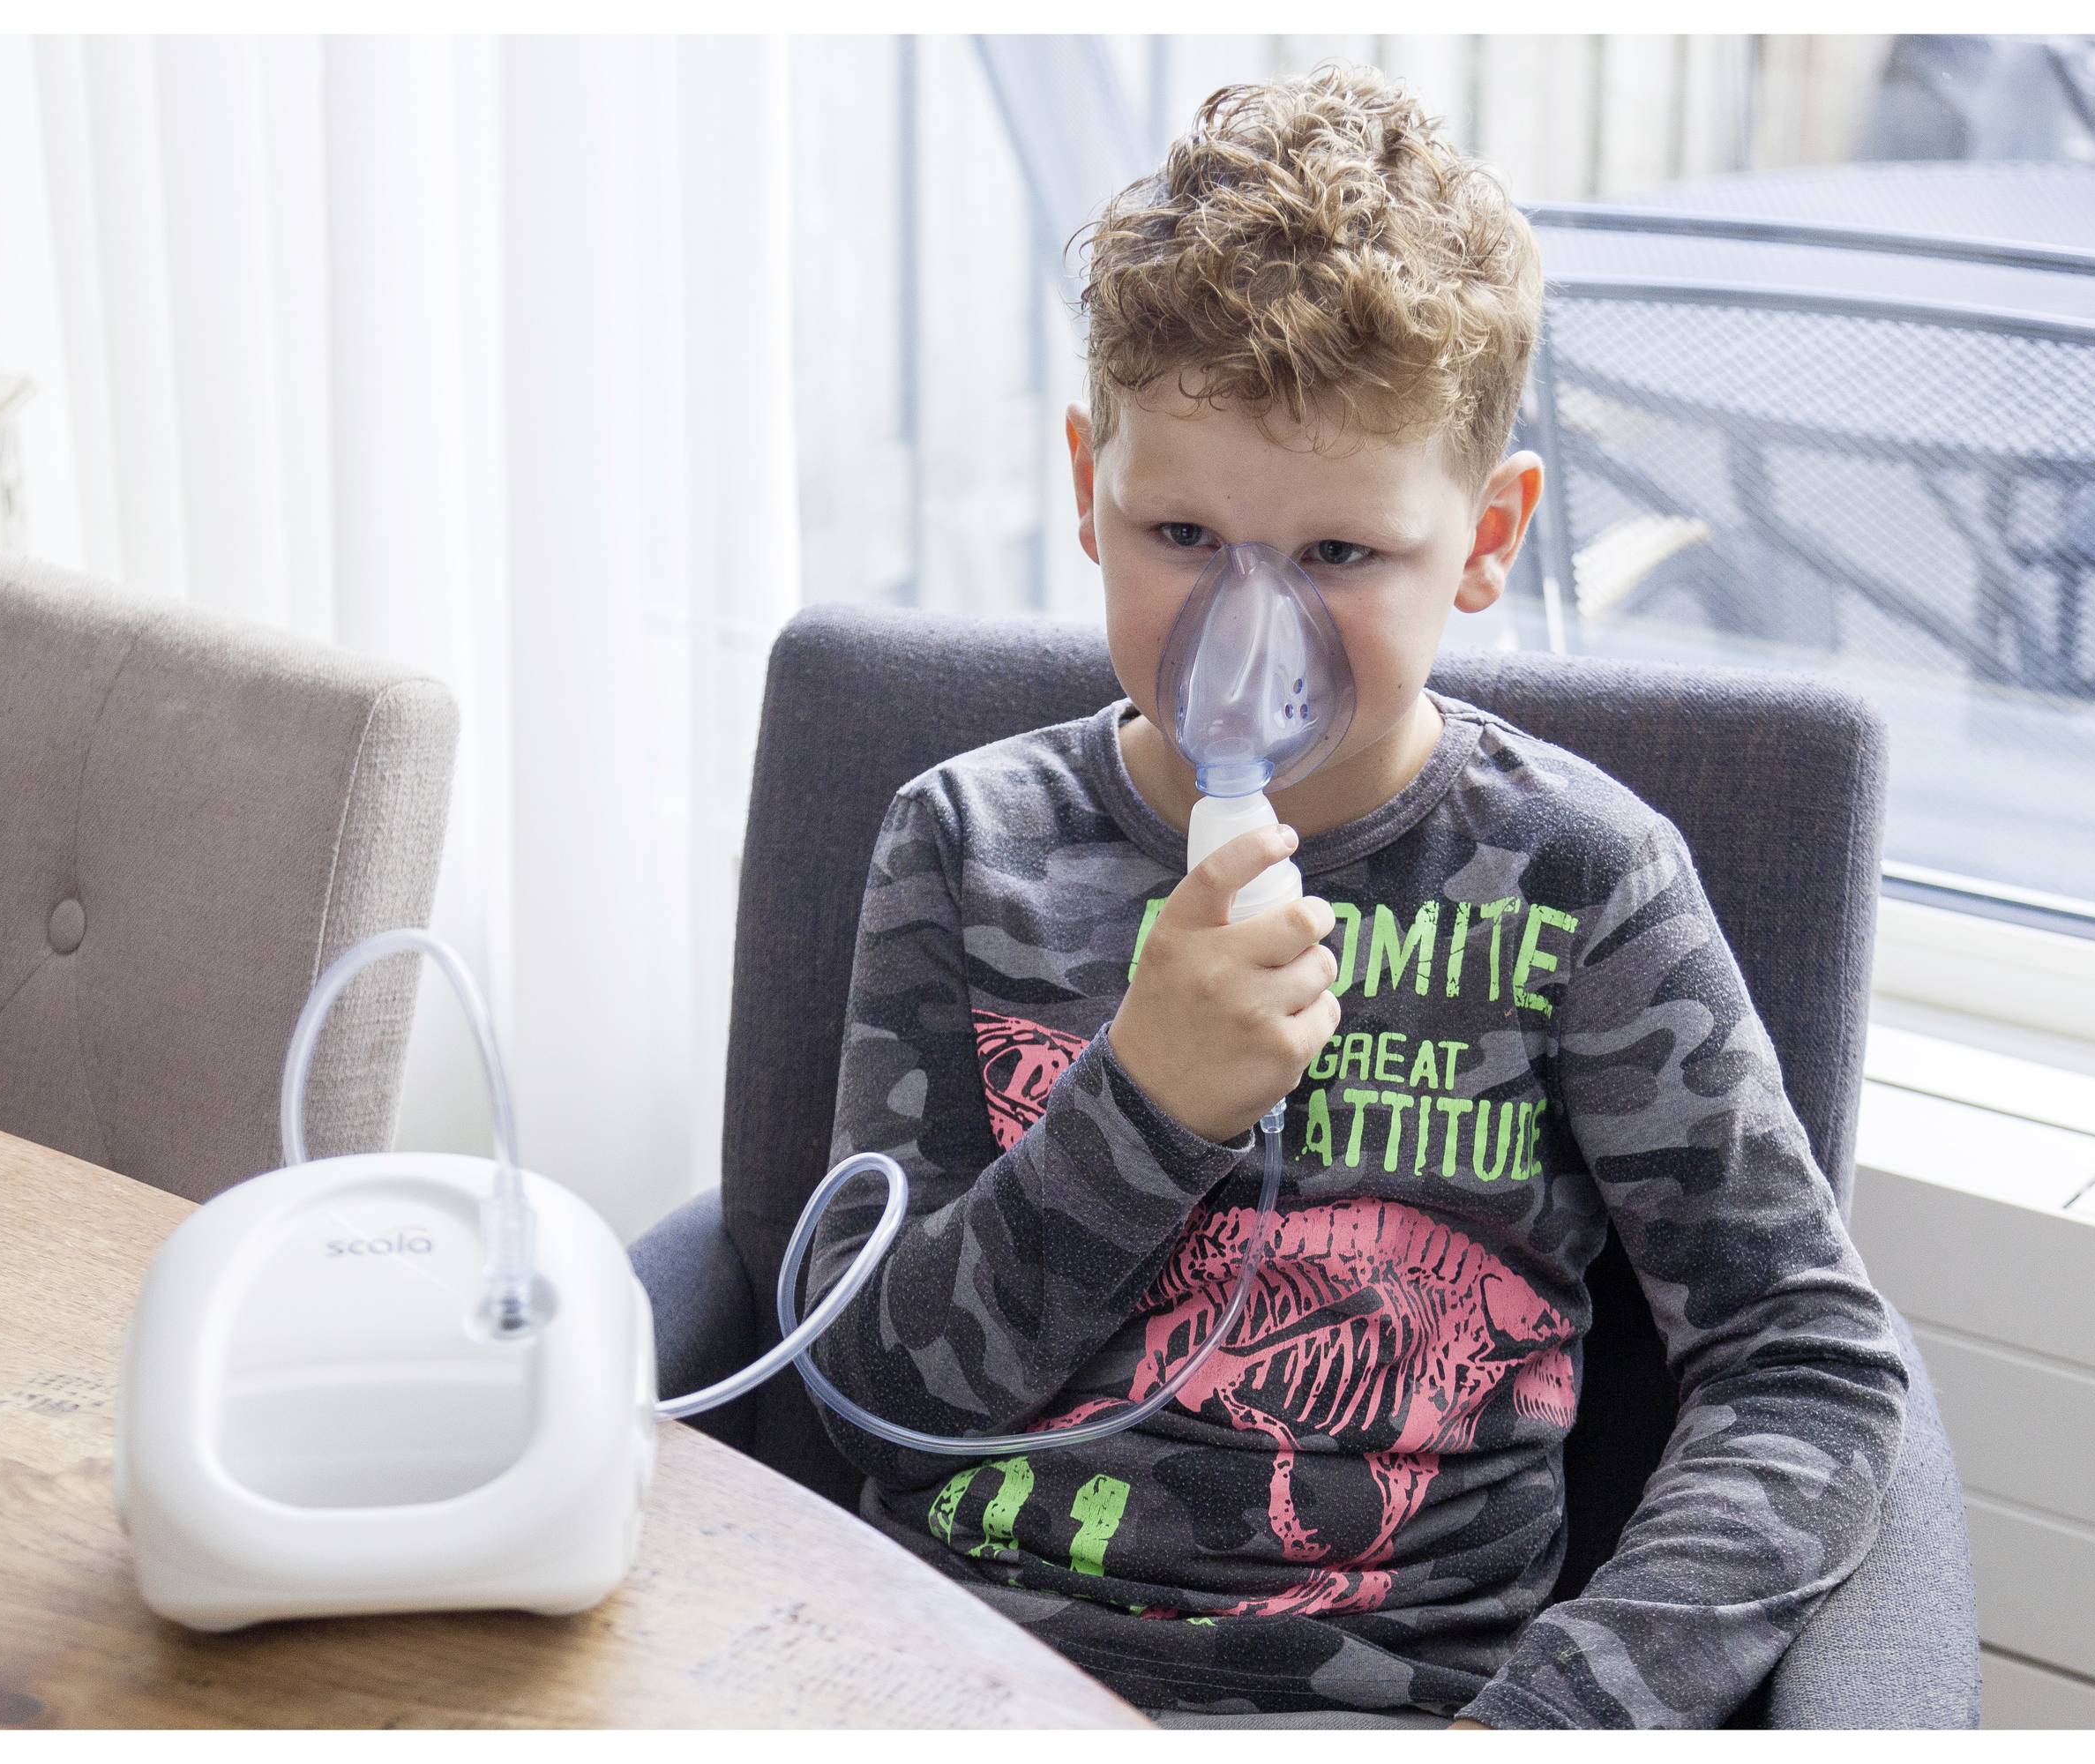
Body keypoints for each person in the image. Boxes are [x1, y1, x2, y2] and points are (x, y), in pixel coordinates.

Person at [800, 64, 1909, 1730]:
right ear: (1087, 488)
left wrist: (1559, 1715)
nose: (1251, 627)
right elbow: (872, 1395)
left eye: (1339, 557)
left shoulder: (1583, 889)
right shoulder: (967, 844)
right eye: (1181, 530)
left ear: (1485, 538)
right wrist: (1145, 1105)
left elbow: (1810, 1371)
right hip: (957, 1677)